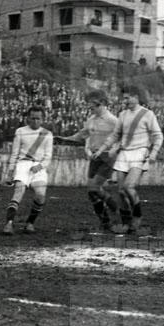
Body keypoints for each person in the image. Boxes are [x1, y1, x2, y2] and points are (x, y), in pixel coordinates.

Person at [93, 85, 163, 234]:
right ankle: (126, 222)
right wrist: (101, 150)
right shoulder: (123, 114)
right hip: (124, 154)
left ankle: (137, 216)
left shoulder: (148, 114)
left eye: (127, 98)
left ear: (136, 97)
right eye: (124, 98)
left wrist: (154, 153)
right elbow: (115, 135)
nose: (125, 101)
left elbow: (158, 135)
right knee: (120, 191)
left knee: (128, 187)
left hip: (140, 153)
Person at [55, 94, 122, 231]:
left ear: (101, 104)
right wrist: (65, 139)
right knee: (91, 192)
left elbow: (123, 137)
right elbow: (82, 135)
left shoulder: (113, 120)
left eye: (92, 105)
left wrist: (115, 150)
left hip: (107, 157)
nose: (90, 108)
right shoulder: (91, 119)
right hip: (95, 157)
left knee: (94, 188)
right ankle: (105, 221)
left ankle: (115, 209)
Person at [2, 106, 53, 235]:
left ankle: (30, 223)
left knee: (40, 196)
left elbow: (48, 157)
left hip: (38, 167)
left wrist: (39, 166)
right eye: (33, 118)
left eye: (38, 119)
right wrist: (10, 171)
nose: (35, 121)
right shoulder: (20, 131)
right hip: (23, 164)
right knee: (19, 191)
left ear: (42, 119)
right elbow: (14, 153)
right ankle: (9, 224)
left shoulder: (47, 134)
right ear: (28, 118)